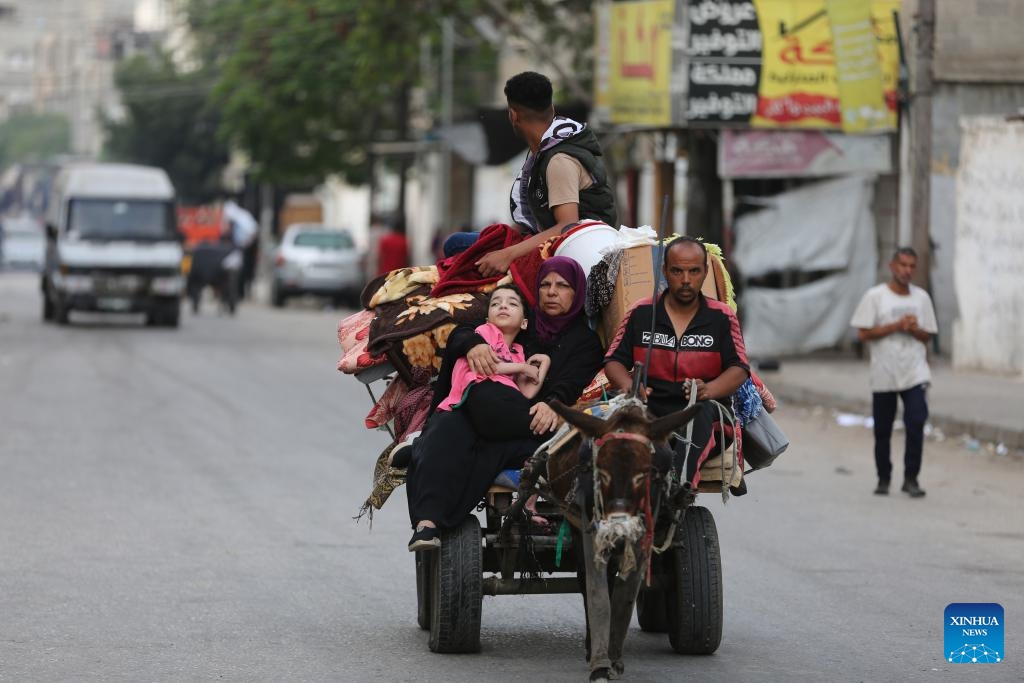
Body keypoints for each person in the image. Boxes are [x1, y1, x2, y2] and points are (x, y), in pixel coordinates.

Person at [405, 256, 603, 551]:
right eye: (546, 284)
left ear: (577, 293)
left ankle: (427, 460)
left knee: (543, 440)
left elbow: (571, 381)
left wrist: (552, 403)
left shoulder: (584, 341)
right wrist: (474, 345)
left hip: (527, 419)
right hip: (482, 408)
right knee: (448, 428)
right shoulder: (525, 320)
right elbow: (464, 332)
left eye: (562, 286)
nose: (551, 292)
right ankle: (427, 525)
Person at [603, 236, 750, 487]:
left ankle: (678, 485)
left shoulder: (721, 316)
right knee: (600, 417)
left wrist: (708, 390)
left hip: (703, 410)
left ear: (705, 272)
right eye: (677, 271)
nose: (685, 280)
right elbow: (613, 361)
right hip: (648, 406)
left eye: (694, 271)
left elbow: (739, 369)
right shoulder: (641, 312)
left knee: (699, 413)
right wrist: (629, 386)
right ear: (664, 272)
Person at [449, 71, 617, 272]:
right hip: (549, 240)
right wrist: (497, 240)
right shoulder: (543, 151)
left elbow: (567, 226)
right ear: (552, 108)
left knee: (459, 248)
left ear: (513, 115)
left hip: (576, 252)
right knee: (459, 243)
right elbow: (534, 220)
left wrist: (507, 254)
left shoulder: (559, 160)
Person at [850, 247, 937, 498]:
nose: (907, 270)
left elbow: (928, 336)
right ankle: (884, 477)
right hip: (884, 372)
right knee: (883, 429)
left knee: (916, 421)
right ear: (892, 266)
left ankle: (911, 478)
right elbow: (863, 333)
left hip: (915, 371)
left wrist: (913, 329)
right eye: (903, 265)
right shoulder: (875, 296)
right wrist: (895, 326)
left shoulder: (922, 298)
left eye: (911, 266)